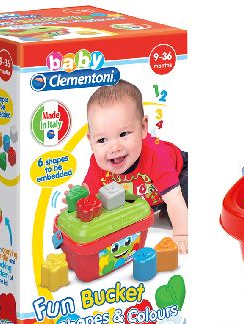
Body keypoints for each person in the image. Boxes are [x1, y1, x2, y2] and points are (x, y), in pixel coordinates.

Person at [67, 80, 188, 253]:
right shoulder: (98, 163)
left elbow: (174, 197)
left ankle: (166, 207)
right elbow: (91, 194)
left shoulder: (156, 154)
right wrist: (78, 202)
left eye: (123, 134)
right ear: (90, 140)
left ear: (143, 127)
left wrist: (182, 234)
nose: (114, 148)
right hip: (149, 196)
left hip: (179, 174)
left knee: (184, 210)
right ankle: (161, 205)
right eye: (102, 140)